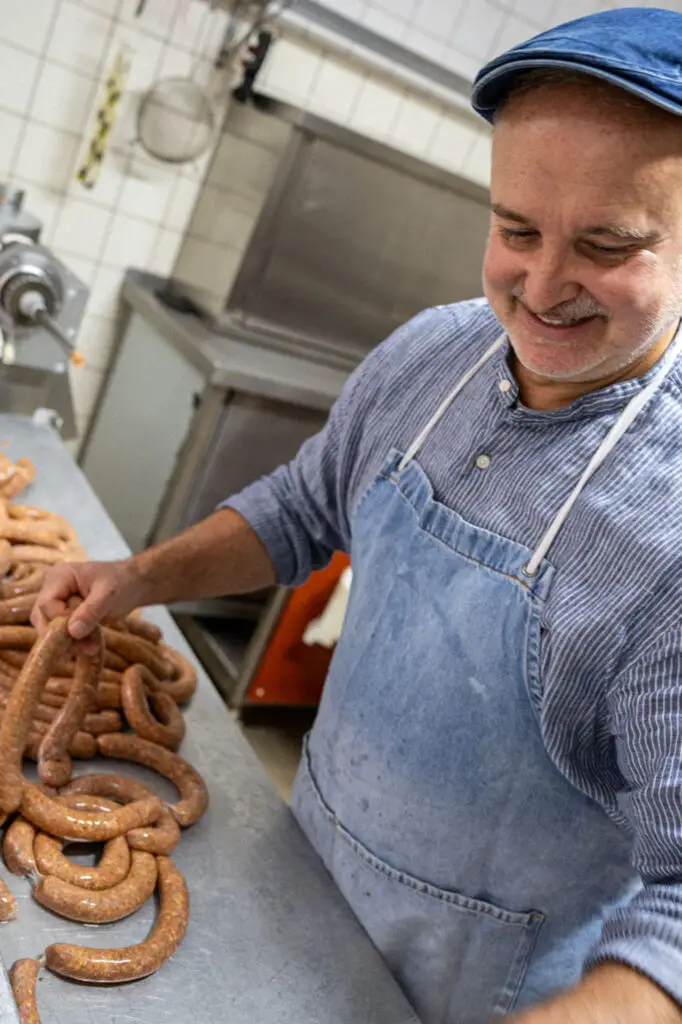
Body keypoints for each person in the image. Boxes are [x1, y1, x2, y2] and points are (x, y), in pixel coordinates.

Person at [32, 7, 682, 1023]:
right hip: (298, 878)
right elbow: (299, 508)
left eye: (607, 245)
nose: (544, 285)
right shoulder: (435, 351)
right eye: (515, 229)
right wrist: (139, 577)